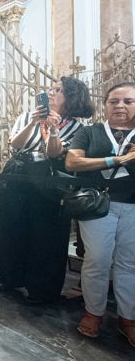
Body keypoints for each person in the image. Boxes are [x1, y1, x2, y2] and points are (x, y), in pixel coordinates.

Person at [0, 77, 92, 304]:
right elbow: (16, 145)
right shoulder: (27, 117)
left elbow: (54, 154)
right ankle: (10, 278)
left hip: (48, 178)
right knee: (11, 227)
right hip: (16, 174)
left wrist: (53, 130)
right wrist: (32, 123)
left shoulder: (77, 129)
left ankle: (42, 289)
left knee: (46, 233)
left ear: (71, 98)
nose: (50, 93)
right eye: (51, 89)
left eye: (58, 90)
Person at [66, 82, 135, 347]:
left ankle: (128, 318)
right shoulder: (91, 132)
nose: (119, 106)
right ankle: (93, 312)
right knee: (97, 260)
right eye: (113, 101)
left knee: (130, 263)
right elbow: (73, 162)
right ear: (105, 105)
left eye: (128, 101)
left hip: (132, 205)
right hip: (97, 205)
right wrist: (115, 160)